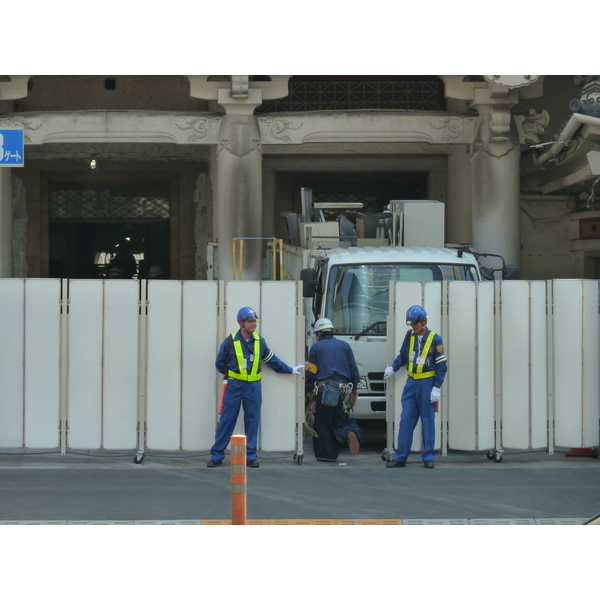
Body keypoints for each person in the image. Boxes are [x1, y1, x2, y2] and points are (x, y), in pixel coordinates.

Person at [207, 306, 304, 469]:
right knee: (227, 420)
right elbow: (219, 363)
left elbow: (272, 361)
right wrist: (232, 376)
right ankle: (217, 455)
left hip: (253, 387)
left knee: (252, 421)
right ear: (240, 323)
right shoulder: (230, 341)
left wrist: (290, 370)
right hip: (234, 386)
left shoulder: (260, 341)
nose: (253, 324)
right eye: (250, 321)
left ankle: (251, 456)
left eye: (254, 321)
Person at [383, 305, 447, 469]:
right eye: (412, 325)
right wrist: (393, 368)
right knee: (406, 420)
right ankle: (400, 457)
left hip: (427, 383)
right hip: (411, 384)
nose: (414, 328)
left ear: (424, 321)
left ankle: (428, 457)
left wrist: (437, 387)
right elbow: (403, 356)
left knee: (428, 421)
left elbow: (442, 365)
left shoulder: (435, 339)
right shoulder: (409, 336)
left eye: (416, 324)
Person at [304, 318, 362, 461]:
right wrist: (354, 388)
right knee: (342, 419)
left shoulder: (316, 348)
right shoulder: (345, 346)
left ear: (319, 333)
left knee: (323, 423)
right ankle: (349, 432)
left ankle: (326, 455)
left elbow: (311, 371)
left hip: (325, 391)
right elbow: (353, 369)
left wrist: (309, 389)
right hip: (344, 390)